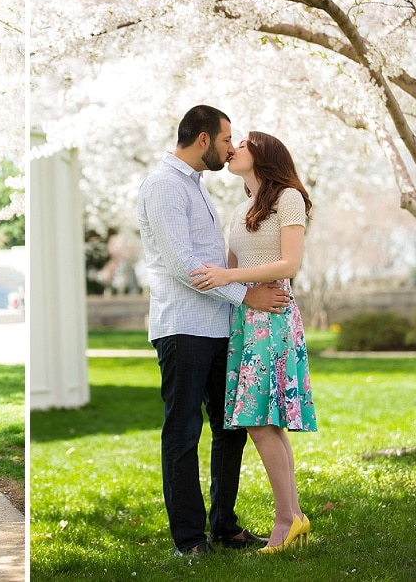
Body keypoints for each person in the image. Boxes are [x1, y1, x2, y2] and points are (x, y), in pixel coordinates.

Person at [137, 105, 291, 556]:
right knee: (183, 432)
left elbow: (217, 262)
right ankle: (189, 540)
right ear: (203, 139)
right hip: (183, 327)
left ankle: (224, 525)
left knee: (231, 429)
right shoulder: (164, 186)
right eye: (227, 140)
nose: (231, 149)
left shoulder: (195, 187)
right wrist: (246, 296)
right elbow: (185, 267)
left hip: (219, 327)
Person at [189, 131, 317, 552]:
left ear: (261, 155)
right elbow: (229, 269)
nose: (232, 150)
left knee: (261, 422)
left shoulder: (288, 198)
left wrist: (228, 276)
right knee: (263, 422)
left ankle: (286, 520)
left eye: (241, 144)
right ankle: (293, 516)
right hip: (246, 319)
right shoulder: (241, 208)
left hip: (274, 318)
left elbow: (290, 263)